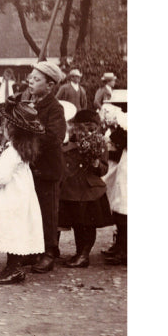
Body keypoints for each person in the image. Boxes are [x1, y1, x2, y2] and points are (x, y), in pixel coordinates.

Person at [0, 98, 46, 284]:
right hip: (19, 195)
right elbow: (0, 161)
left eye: (6, 126)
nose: (2, 129)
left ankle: (14, 268)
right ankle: (12, 266)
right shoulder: (17, 148)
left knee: (11, 229)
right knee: (14, 229)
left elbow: (1, 176)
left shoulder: (12, 151)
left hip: (11, 196)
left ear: (13, 130)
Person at [20, 60, 68, 273]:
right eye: (30, 78)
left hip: (48, 169)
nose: (31, 82)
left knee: (47, 212)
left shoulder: (55, 108)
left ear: (50, 85)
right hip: (30, 167)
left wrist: (31, 130)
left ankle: (49, 253)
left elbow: (55, 137)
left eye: (36, 79)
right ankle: (34, 250)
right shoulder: (29, 103)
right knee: (32, 210)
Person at [58, 109, 114, 267]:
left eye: (91, 127)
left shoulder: (99, 141)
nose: (87, 131)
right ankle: (79, 253)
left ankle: (84, 255)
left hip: (90, 190)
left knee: (88, 224)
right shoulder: (69, 140)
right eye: (83, 127)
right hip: (72, 188)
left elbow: (103, 169)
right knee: (77, 223)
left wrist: (96, 163)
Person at [101, 97, 128, 266]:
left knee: (125, 205)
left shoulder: (125, 122)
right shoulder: (123, 123)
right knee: (120, 204)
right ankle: (120, 245)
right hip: (123, 163)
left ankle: (125, 249)